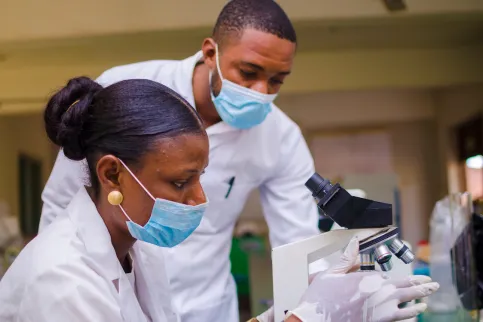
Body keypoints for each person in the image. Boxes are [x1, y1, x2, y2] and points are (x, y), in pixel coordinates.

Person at [37, 1, 429, 321]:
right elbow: (62, 203)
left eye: (277, 81)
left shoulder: (279, 135)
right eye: (249, 72)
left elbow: (298, 243)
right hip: (109, 290)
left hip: (204, 302)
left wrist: (316, 302)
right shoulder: (130, 93)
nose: (262, 91)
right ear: (211, 52)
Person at [0, 77, 439, 322]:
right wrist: (310, 319)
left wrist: (283, 316)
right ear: (112, 172)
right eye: (180, 182)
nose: (198, 198)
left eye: (201, 178)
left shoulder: (137, 251)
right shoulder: (60, 281)